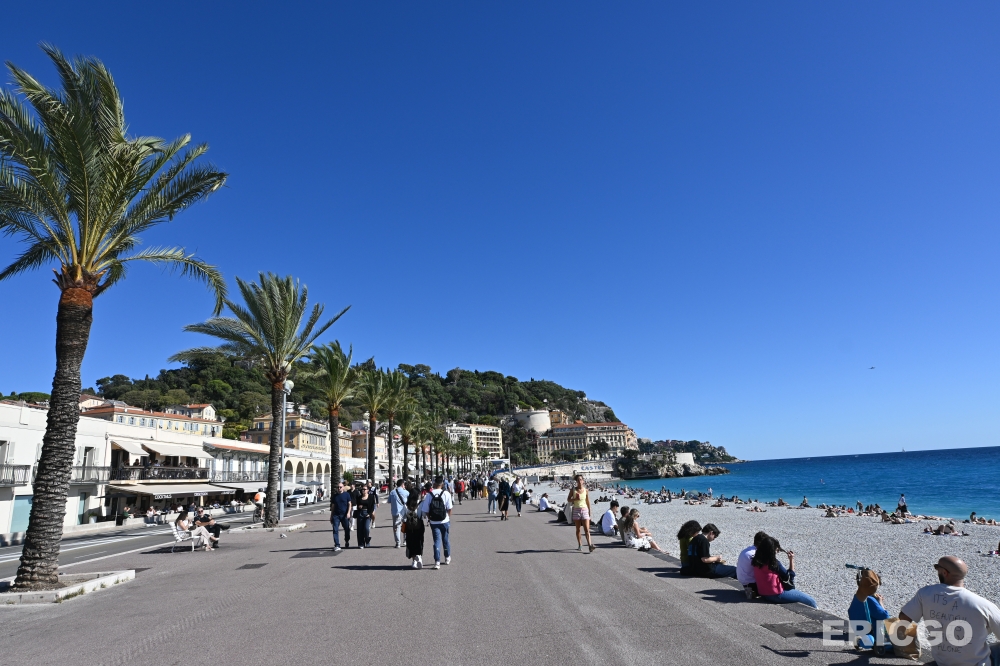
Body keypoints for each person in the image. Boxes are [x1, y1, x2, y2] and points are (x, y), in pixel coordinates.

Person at [900, 556, 1000, 666]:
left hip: (943, 662)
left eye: (937, 567)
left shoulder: (925, 594)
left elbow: (904, 618)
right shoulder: (983, 605)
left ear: (944, 572)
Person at [750, 536, 817, 607]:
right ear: (771, 550)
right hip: (776, 595)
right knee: (811, 601)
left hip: (763, 594)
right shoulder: (773, 563)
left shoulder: (756, 561)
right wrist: (791, 559)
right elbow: (789, 577)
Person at [847, 568, 891, 650]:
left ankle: (862, 641)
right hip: (874, 633)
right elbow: (885, 616)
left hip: (860, 632)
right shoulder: (870, 600)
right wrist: (880, 602)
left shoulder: (856, 599)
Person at [418, 476, 454, 569]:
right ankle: (447, 557)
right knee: (445, 539)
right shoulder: (446, 493)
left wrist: (430, 518)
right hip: (444, 520)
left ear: (434, 483)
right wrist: (448, 517)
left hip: (434, 522)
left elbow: (426, 510)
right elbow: (450, 508)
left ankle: (437, 561)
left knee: (436, 541)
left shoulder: (429, 495)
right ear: (442, 484)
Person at [737, 531, 769, 599]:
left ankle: (752, 591)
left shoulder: (748, 550)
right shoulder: (755, 554)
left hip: (744, 581)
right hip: (750, 582)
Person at [567, 474, 595, 553]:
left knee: (587, 529)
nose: (580, 481)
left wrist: (589, 511)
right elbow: (568, 499)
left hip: (585, 510)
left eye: (581, 479)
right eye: (578, 480)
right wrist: (575, 499)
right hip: (576, 510)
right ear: (576, 481)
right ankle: (580, 544)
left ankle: (590, 545)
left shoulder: (586, 490)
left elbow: (587, 501)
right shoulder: (573, 490)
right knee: (578, 529)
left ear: (583, 481)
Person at [404, 485, 425, 569]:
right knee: (419, 541)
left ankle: (414, 561)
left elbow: (403, 516)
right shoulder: (420, 503)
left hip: (409, 527)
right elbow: (423, 514)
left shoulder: (406, 504)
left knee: (411, 543)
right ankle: (419, 556)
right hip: (419, 525)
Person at [329, 480, 353, 552]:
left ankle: (347, 540)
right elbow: (333, 506)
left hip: (344, 515)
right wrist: (331, 515)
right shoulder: (335, 496)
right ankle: (337, 545)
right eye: (338, 487)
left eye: (340, 487)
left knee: (347, 529)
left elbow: (349, 504)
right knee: (335, 530)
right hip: (336, 515)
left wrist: (348, 513)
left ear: (343, 487)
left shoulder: (346, 495)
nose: (339, 488)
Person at [354, 484, 376, 549]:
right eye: (362, 489)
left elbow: (372, 507)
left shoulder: (371, 497)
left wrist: (369, 513)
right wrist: (359, 507)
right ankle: (361, 543)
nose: (363, 490)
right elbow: (358, 505)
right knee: (360, 529)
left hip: (367, 513)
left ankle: (367, 540)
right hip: (360, 513)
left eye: (364, 489)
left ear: (367, 490)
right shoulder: (359, 497)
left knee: (366, 528)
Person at [389, 479, 409, 549]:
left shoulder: (392, 492)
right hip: (404, 511)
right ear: (402, 484)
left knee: (396, 528)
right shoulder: (406, 492)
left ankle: (398, 543)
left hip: (395, 512)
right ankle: (405, 541)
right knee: (405, 525)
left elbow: (389, 501)